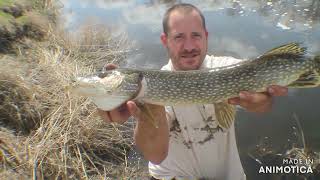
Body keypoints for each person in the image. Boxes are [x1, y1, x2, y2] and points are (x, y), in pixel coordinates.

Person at [98, 3, 288, 180]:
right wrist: (147, 111)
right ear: (165, 40)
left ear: (206, 36)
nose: (189, 47)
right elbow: (155, 155)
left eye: (196, 35)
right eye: (179, 37)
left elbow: (265, 102)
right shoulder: (155, 85)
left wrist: (263, 101)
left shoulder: (227, 68)